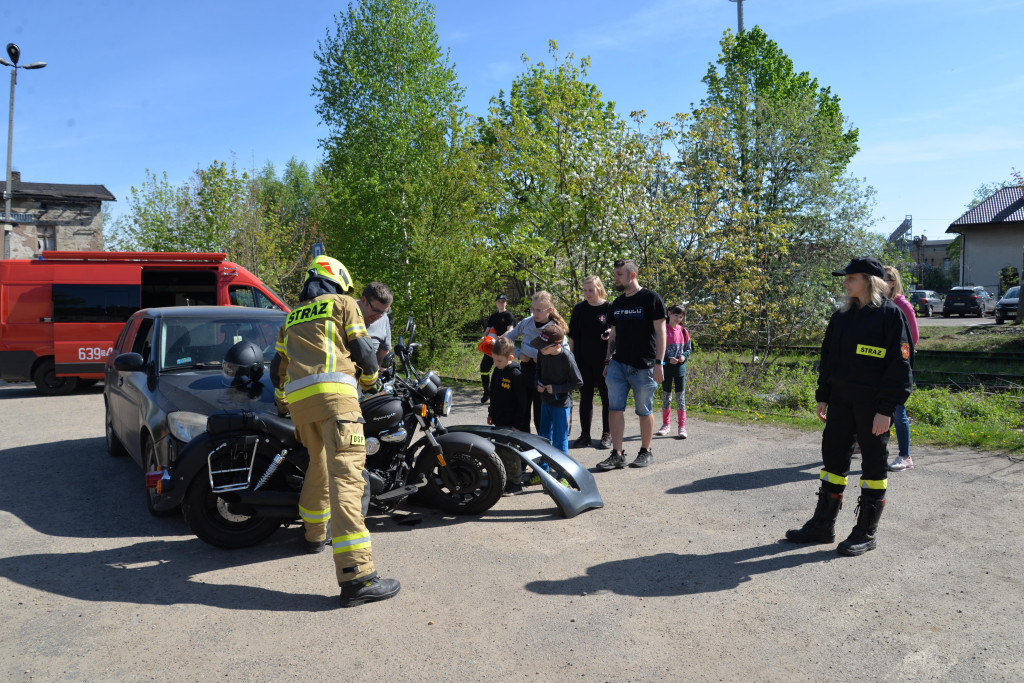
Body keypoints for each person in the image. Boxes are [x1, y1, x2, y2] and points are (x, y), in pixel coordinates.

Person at [272, 255, 400, 607]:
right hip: (337, 401)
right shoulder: (344, 303)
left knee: (320, 465)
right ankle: (357, 577)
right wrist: (372, 382)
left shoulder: (292, 317)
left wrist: (283, 402)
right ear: (339, 281)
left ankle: (313, 535)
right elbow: (363, 350)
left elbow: (277, 369)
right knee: (347, 479)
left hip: (302, 408)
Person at [785, 256, 913, 557]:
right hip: (841, 402)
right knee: (833, 462)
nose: (845, 282)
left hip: (873, 408)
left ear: (869, 281)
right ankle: (822, 525)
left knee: (873, 466)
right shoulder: (841, 316)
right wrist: (823, 394)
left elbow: (901, 366)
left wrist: (886, 409)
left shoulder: (891, 316)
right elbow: (828, 357)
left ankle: (866, 532)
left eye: (851, 278)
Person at [598, 258, 667, 470]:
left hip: (644, 365)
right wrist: (608, 361)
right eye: (615, 274)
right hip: (618, 364)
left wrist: (659, 363)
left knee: (644, 410)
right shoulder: (616, 304)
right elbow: (613, 335)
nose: (615, 278)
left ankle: (646, 451)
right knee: (614, 408)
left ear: (632, 275)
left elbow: (661, 332)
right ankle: (617, 454)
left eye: (619, 274)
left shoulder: (651, 299)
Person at [504, 291, 570, 433]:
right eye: (533, 309)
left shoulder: (554, 329)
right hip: (525, 371)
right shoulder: (527, 322)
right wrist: (519, 354)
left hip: (545, 375)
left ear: (550, 310)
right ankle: (523, 445)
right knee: (522, 411)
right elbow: (508, 339)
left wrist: (538, 355)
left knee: (541, 415)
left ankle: (543, 446)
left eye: (539, 310)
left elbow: (565, 354)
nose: (535, 312)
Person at [568, 276, 612, 449]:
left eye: (591, 290)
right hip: (582, 360)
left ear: (599, 289)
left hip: (603, 361)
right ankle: (585, 435)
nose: (587, 294)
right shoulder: (579, 309)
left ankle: (606, 434)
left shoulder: (609, 307)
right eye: (585, 290)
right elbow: (572, 336)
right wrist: (570, 359)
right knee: (585, 398)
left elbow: (615, 331)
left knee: (606, 398)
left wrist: (609, 331)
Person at [884, 265, 918, 472]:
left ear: (893, 282)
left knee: (898, 410)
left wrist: (899, 359)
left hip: (897, 368)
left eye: (884, 279)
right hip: (883, 367)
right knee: (881, 407)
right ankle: (869, 446)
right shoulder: (882, 304)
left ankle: (906, 456)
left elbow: (913, 337)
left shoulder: (902, 305)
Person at [532, 323, 584, 455]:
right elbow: (538, 371)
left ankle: (562, 472)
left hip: (561, 405)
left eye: (543, 346)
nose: (540, 348)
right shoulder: (541, 353)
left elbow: (578, 382)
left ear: (557, 346)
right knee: (543, 437)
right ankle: (543, 469)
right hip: (545, 402)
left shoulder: (567, 358)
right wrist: (537, 383)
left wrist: (556, 389)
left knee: (559, 438)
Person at [487, 336, 530, 494]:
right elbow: (494, 394)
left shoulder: (516, 374)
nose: (495, 364)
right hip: (499, 419)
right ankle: (505, 478)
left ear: (510, 358)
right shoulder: (497, 371)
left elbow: (522, 403)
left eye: (499, 361)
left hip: (512, 423)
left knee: (510, 453)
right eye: (494, 360)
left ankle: (516, 483)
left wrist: (518, 425)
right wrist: (491, 413)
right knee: (500, 450)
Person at [656, 304, 692, 439]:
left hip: (679, 370)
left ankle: (681, 427)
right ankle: (666, 425)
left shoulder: (683, 331)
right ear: (669, 313)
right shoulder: (662, 330)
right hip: (665, 369)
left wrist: (683, 357)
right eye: (676, 315)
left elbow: (688, 349)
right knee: (666, 397)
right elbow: (656, 349)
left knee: (680, 398)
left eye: (681, 317)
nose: (678, 318)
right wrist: (666, 359)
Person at [479, 294, 516, 403]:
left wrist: (498, 339)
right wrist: (483, 336)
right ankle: (487, 392)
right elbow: (487, 330)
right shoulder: (493, 316)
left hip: (503, 346)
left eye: (503, 301)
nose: (500, 303)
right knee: (484, 369)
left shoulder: (509, 315)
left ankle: (502, 394)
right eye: (499, 301)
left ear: (506, 303)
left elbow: (510, 331)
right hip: (491, 346)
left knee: (501, 370)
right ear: (496, 303)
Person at [357, 282, 394, 364]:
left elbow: (383, 355)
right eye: (376, 310)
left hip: (367, 375)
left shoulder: (384, 319)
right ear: (363, 301)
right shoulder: (343, 312)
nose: (379, 316)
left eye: (383, 312)